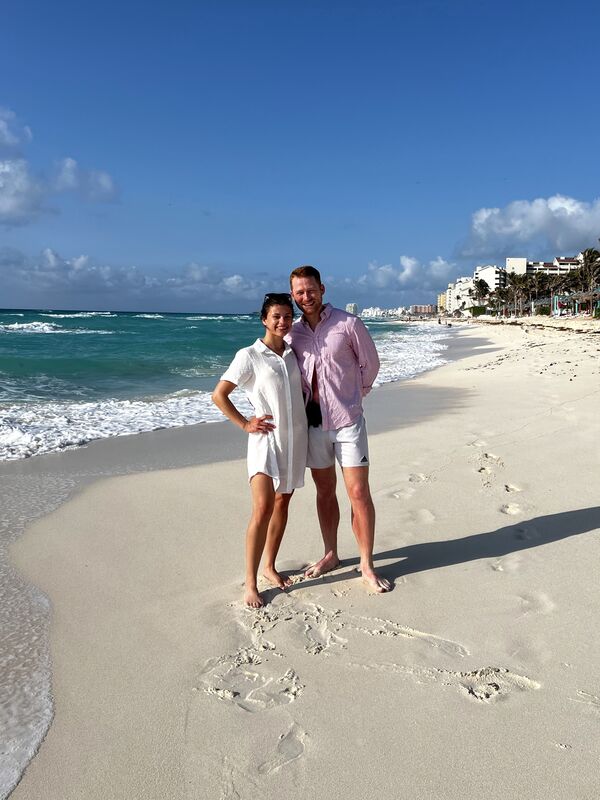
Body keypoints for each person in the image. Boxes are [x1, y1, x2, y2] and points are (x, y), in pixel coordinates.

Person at [287, 265, 391, 593]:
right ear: (293, 295)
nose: (306, 296)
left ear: (322, 288)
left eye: (311, 289)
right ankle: (330, 553)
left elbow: (370, 363)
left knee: (358, 493)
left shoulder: (349, 324)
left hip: (348, 423)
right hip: (314, 426)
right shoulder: (293, 334)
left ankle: (366, 564)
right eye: (300, 292)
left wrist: (355, 394)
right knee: (324, 491)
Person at [212, 293, 308, 608]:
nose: (282, 322)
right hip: (265, 441)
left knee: (283, 504)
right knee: (263, 509)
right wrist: (245, 424)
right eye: (276, 316)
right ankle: (251, 583)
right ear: (264, 319)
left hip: (294, 440)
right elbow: (220, 395)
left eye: (287, 316)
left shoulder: (294, 354)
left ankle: (269, 566)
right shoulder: (249, 355)